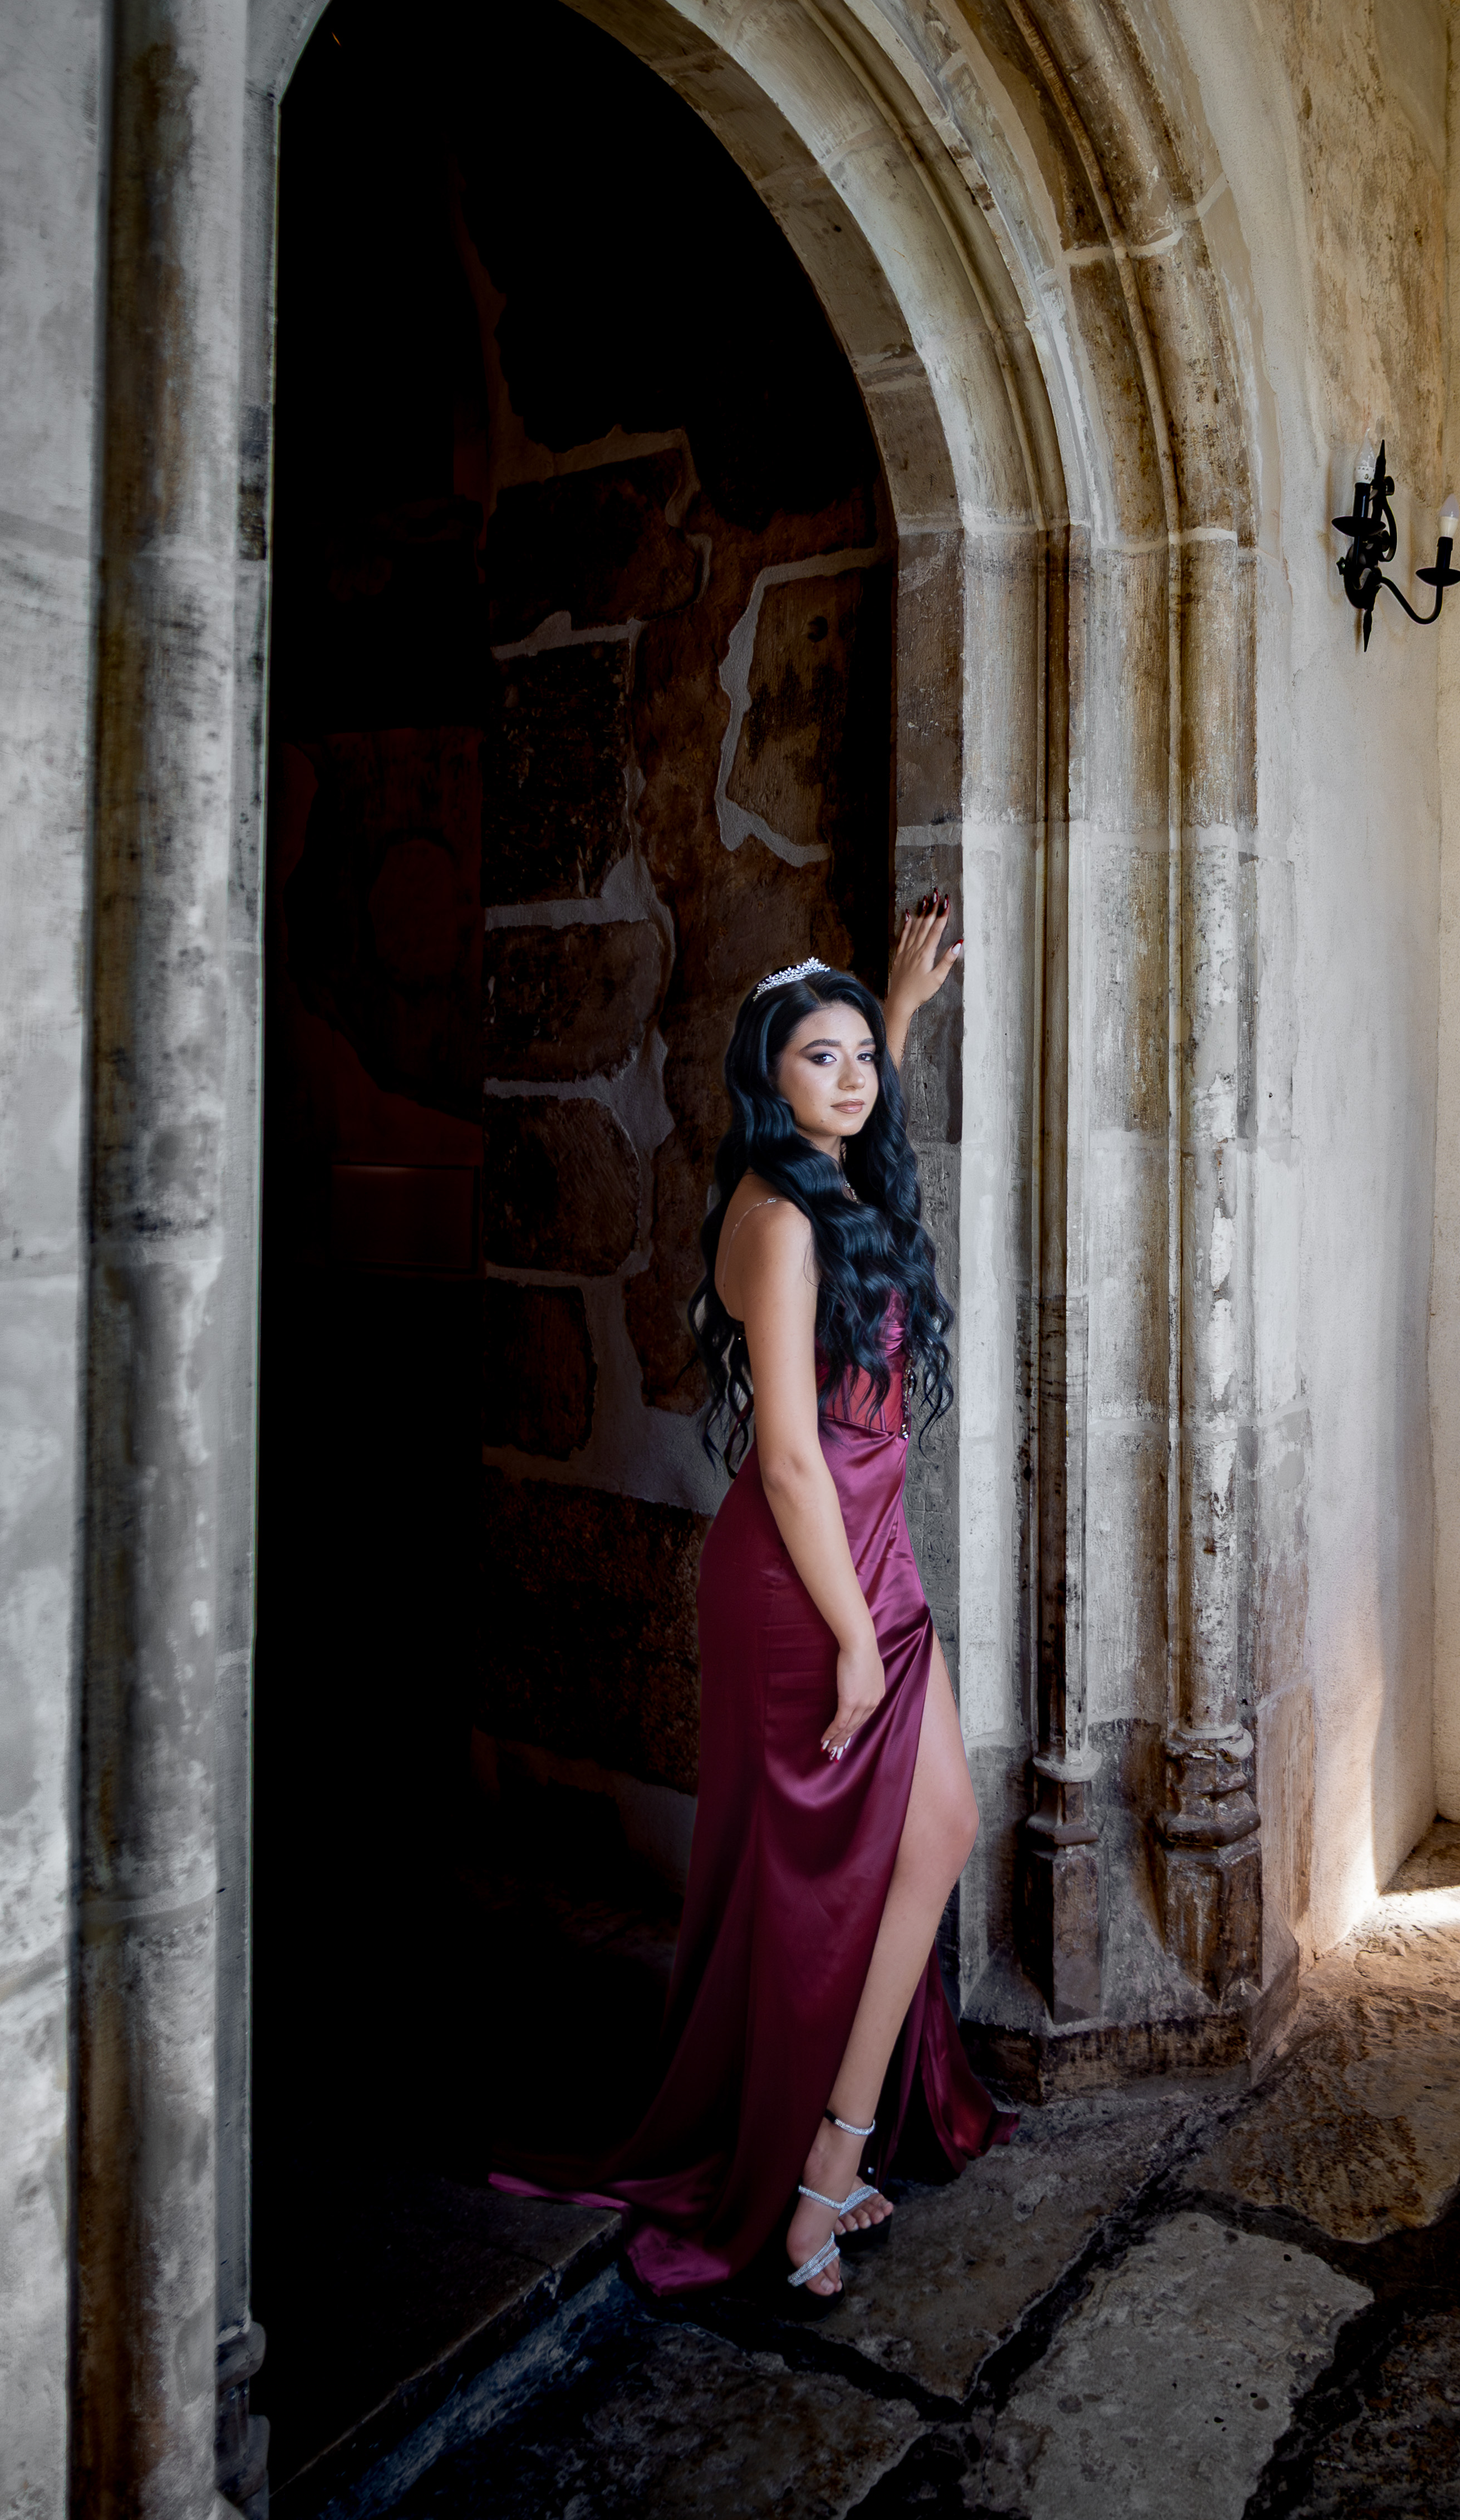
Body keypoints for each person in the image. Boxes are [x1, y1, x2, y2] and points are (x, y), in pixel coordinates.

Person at [495, 893, 1012, 2295]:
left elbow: (868, 1129)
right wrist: (854, 1641)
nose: (851, 1079)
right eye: (818, 1059)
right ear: (766, 1082)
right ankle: (811, 2178)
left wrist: (895, 1016)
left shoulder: (826, 1184)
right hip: (804, 1573)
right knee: (818, 1877)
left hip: (871, 1548)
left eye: (860, 1059)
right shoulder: (777, 1221)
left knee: (937, 1829)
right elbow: (787, 1457)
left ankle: (834, 2145)